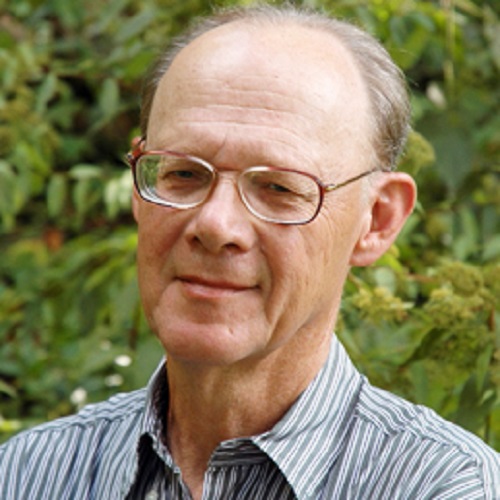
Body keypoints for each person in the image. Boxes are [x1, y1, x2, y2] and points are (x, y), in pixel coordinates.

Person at [1, 4, 499, 499]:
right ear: (138, 187)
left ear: (377, 220)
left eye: (279, 188)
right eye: (183, 173)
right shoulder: (29, 474)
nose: (215, 225)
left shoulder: (447, 487)